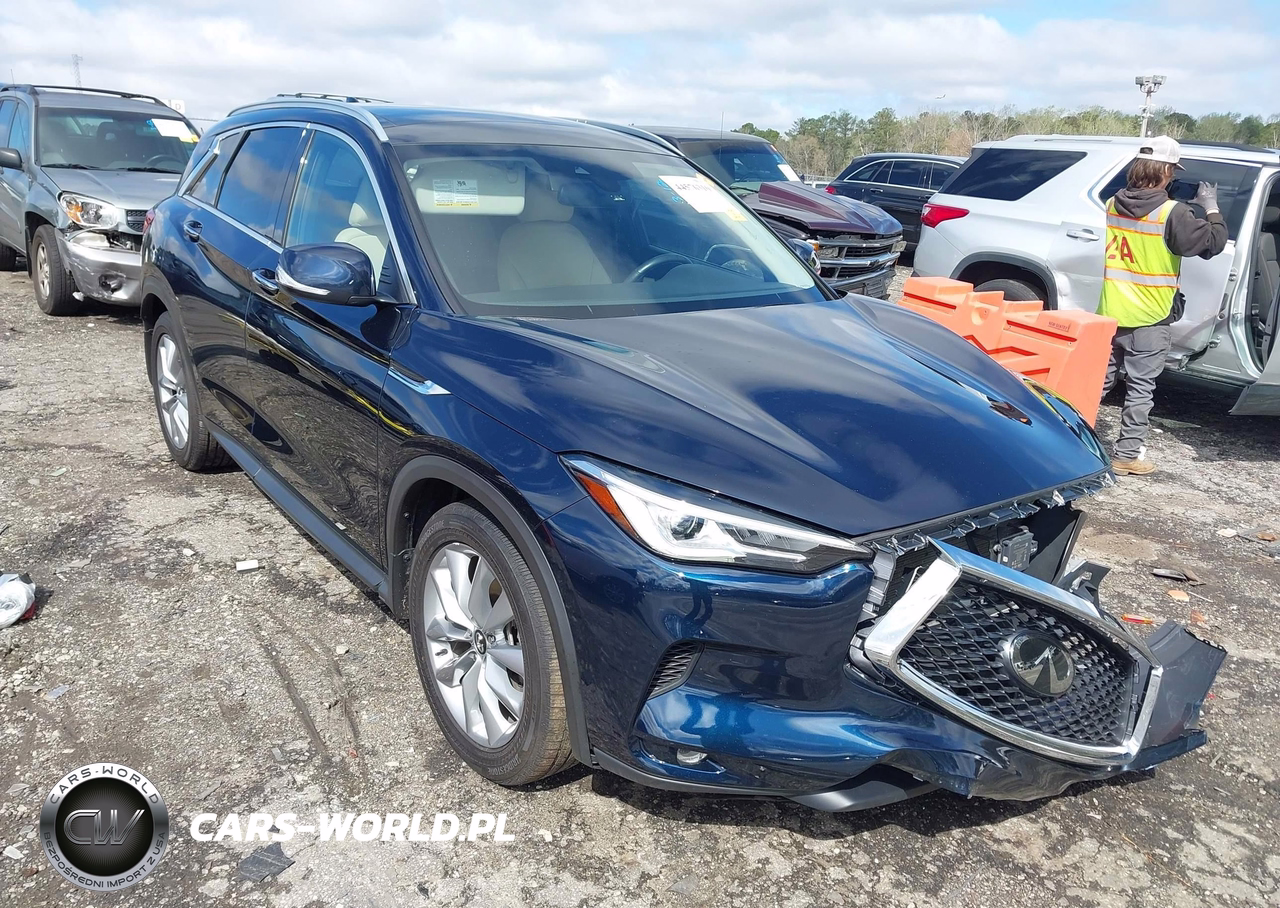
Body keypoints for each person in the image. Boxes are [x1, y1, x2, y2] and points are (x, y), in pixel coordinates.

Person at [1098, 136, 1228, 476]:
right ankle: (1126, 455)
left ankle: (1065, 439)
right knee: (1140, 388)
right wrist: (1210, 207)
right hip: (1149, 315)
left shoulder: (1113, 203)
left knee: (1098, 381)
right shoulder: (1173, 213)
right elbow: (1212, 243)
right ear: (1167, 171)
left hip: (1112, 310)